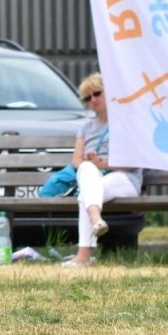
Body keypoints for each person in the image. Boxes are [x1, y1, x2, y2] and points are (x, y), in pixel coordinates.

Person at [62, 72, 144, 268]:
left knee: (86, 195)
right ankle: (96, 218)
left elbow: (134, 162)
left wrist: (105, 164)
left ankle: (84, 254)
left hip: (125, 178)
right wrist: (89, 162)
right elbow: (76, 160)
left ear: (110, 93)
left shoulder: (126, 122)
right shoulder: (86, 127)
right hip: (95, 177)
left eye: (97, 93)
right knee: (86, 171)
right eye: (88, 98)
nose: (93, 100)